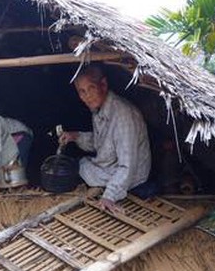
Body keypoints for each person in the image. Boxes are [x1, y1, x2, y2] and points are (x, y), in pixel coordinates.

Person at [59, 64, 151, 213]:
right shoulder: (98, 110)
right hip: (110, 167)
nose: (86, 96)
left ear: (103, 84)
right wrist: (75, 136)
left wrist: (109, 196)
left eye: (91, 88)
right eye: (81, 91)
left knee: (79, 167)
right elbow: (99, 143)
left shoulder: (123, 115)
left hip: (131, 176)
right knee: (80, 164)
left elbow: (127, 165)